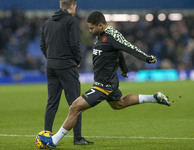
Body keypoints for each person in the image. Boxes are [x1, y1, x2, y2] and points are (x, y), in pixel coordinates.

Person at [39, 11, 171, 149]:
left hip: (104, 84)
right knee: (119, 104)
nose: (90, 30)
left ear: (100, 25)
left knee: (75, 107)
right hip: (107, 82)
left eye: (92, 28)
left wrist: (147, 58)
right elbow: (117, 52)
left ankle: (53, 141)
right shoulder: (101, 35)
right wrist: (123, 68)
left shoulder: (113, 36)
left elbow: (128, 47)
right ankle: (154, 98)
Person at [40, 0, 93, 145]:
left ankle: (46, 136)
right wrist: (77, 60)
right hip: (67, 66)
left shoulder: (47, 22)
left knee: (52, 103)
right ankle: (78, 138)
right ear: (72, 6)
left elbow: (42, 45)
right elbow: (75, 44)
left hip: (51, 66)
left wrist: (51, 58)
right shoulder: (71, 21)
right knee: (77, 103)